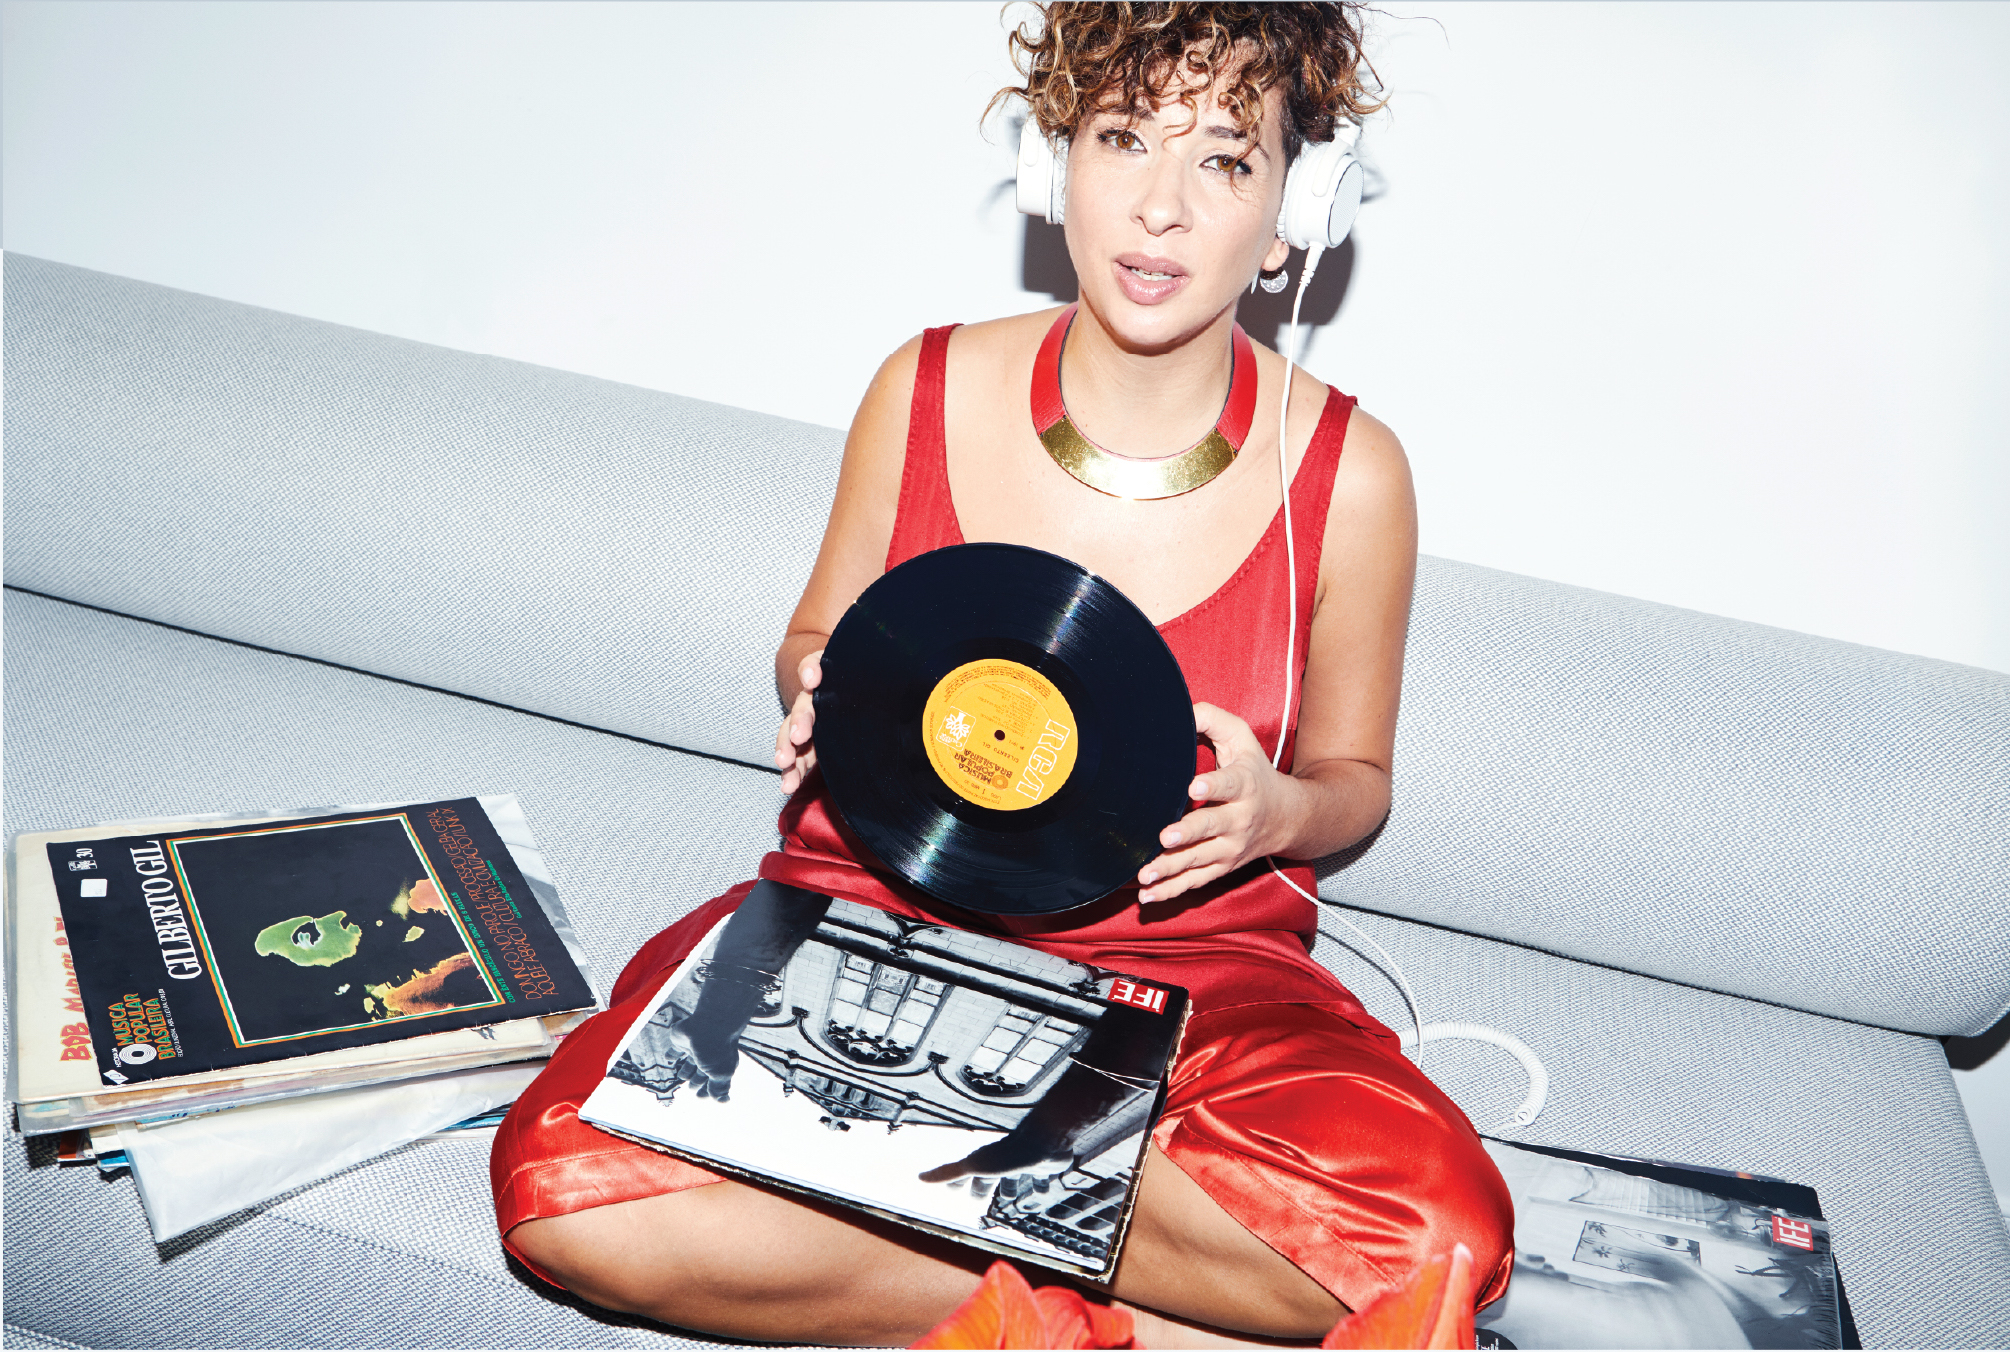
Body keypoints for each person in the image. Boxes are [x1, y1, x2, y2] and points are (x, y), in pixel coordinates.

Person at [491, 4, 1514, 1345]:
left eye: (1222, 159)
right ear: (1055, 170)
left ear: (1292, 214)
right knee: (561, 1190)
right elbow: (810, 637)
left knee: (1437, 1236)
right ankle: (1099, 1306)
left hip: (1189, 980)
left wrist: (1276, 816)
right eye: (1121, 137)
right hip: (872, 923)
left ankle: (951, 1242)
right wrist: (822, 686)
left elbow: (1355, 783)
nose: (1158, 206)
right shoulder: (917, 387)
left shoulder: (1350, 475)